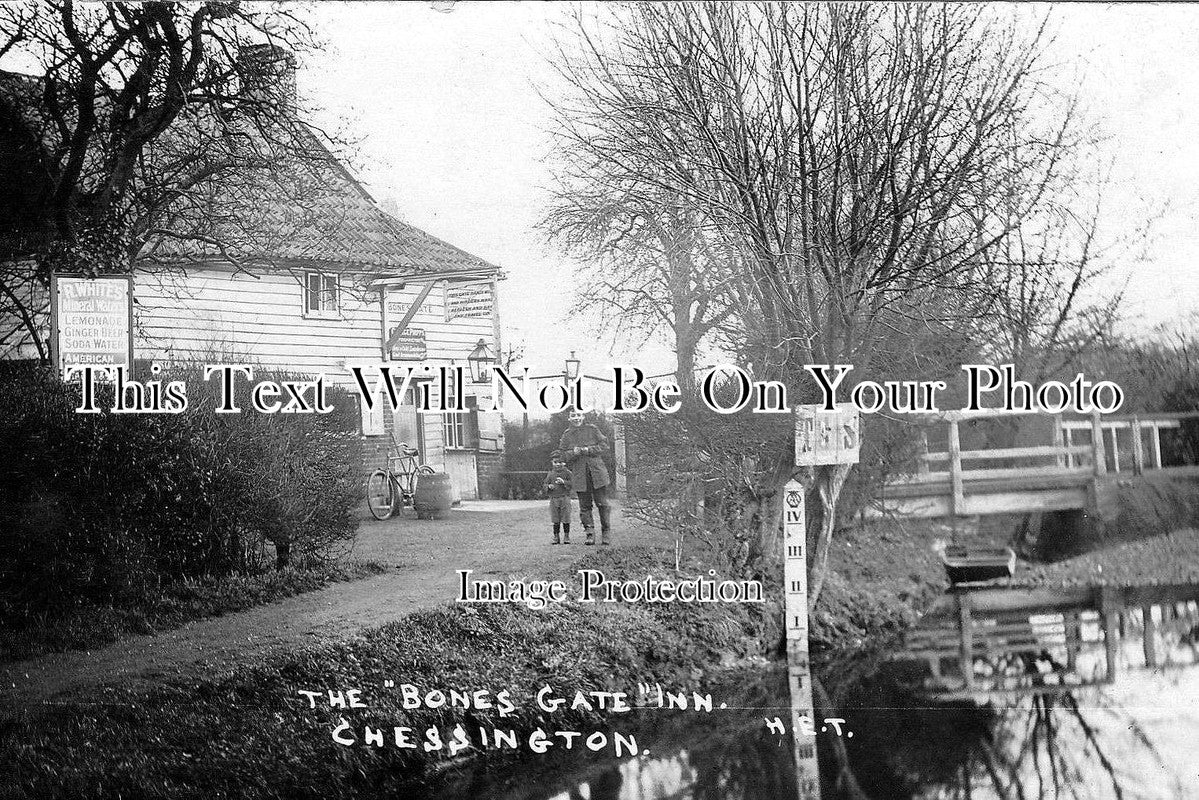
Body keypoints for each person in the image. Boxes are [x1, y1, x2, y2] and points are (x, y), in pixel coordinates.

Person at [558, 410, 612, 545]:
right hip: (580, 475)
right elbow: (562, 455)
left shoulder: (592, 429)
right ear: (569, 418)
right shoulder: (567, 435)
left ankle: (606, 532)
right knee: (584, 506)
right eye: (573, 416)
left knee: (602, 504)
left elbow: (605, 445)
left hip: (597, 473)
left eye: (578, 415)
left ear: (583, 416)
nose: (576, 418)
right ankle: (590, 534)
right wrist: (573, 452)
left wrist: (589, 450)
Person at [543, 450, 573, 545]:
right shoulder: (551, 474)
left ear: (564, 463)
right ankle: (556, 537)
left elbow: (573, 483)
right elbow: (545, 484)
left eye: (560, 462)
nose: (558, 464)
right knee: (555, 519)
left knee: (566, 518)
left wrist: (564, 482)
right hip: (554, 499)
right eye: (555, 462)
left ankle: (566, 536)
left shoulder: (567, 473)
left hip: (565, 498)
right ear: (552, 462)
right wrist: (548, 486)